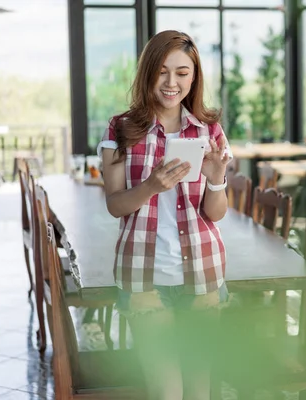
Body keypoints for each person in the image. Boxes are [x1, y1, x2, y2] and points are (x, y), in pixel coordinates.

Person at [98, 30, 232, 400]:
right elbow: (115, 205)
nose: (172, 82)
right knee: (165, 391)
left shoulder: (210, 131)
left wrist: (217, 179)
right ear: (147, 74)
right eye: (161, 71)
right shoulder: (121, 129)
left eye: (182, 72)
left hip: (203, 269)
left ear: (194, 76)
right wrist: (151, 187)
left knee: (200, 388)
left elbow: (215, 213)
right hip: (144, 275)